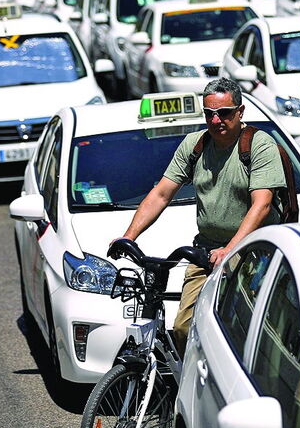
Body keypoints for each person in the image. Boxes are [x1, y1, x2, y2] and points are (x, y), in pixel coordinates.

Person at [116, 78, 286, 353]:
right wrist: (128, 237)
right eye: (210, 114)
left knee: (247, 334)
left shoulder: (259, 145)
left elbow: (262, 205)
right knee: (184, 328)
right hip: (206, 251)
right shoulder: (194, 145)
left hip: (253, 251)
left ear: (240, 112)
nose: (216, 120)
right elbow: (161, 194)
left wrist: (230, 250)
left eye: (225, 113)